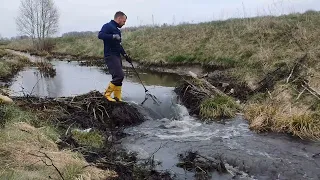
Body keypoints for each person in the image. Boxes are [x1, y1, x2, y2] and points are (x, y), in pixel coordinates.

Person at [98, 11, 132, 102]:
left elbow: (119, 45)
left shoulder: (117, 30)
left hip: (117, 56)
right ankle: (107, 94)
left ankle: (117, 97)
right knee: (119, 75)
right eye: (124, 21)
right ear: (119, 18)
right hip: (110, 55)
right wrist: (112, 36)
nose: (124, 23)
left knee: (118, 78)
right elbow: (100, 35)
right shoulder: (107, 26)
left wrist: (125, 55)